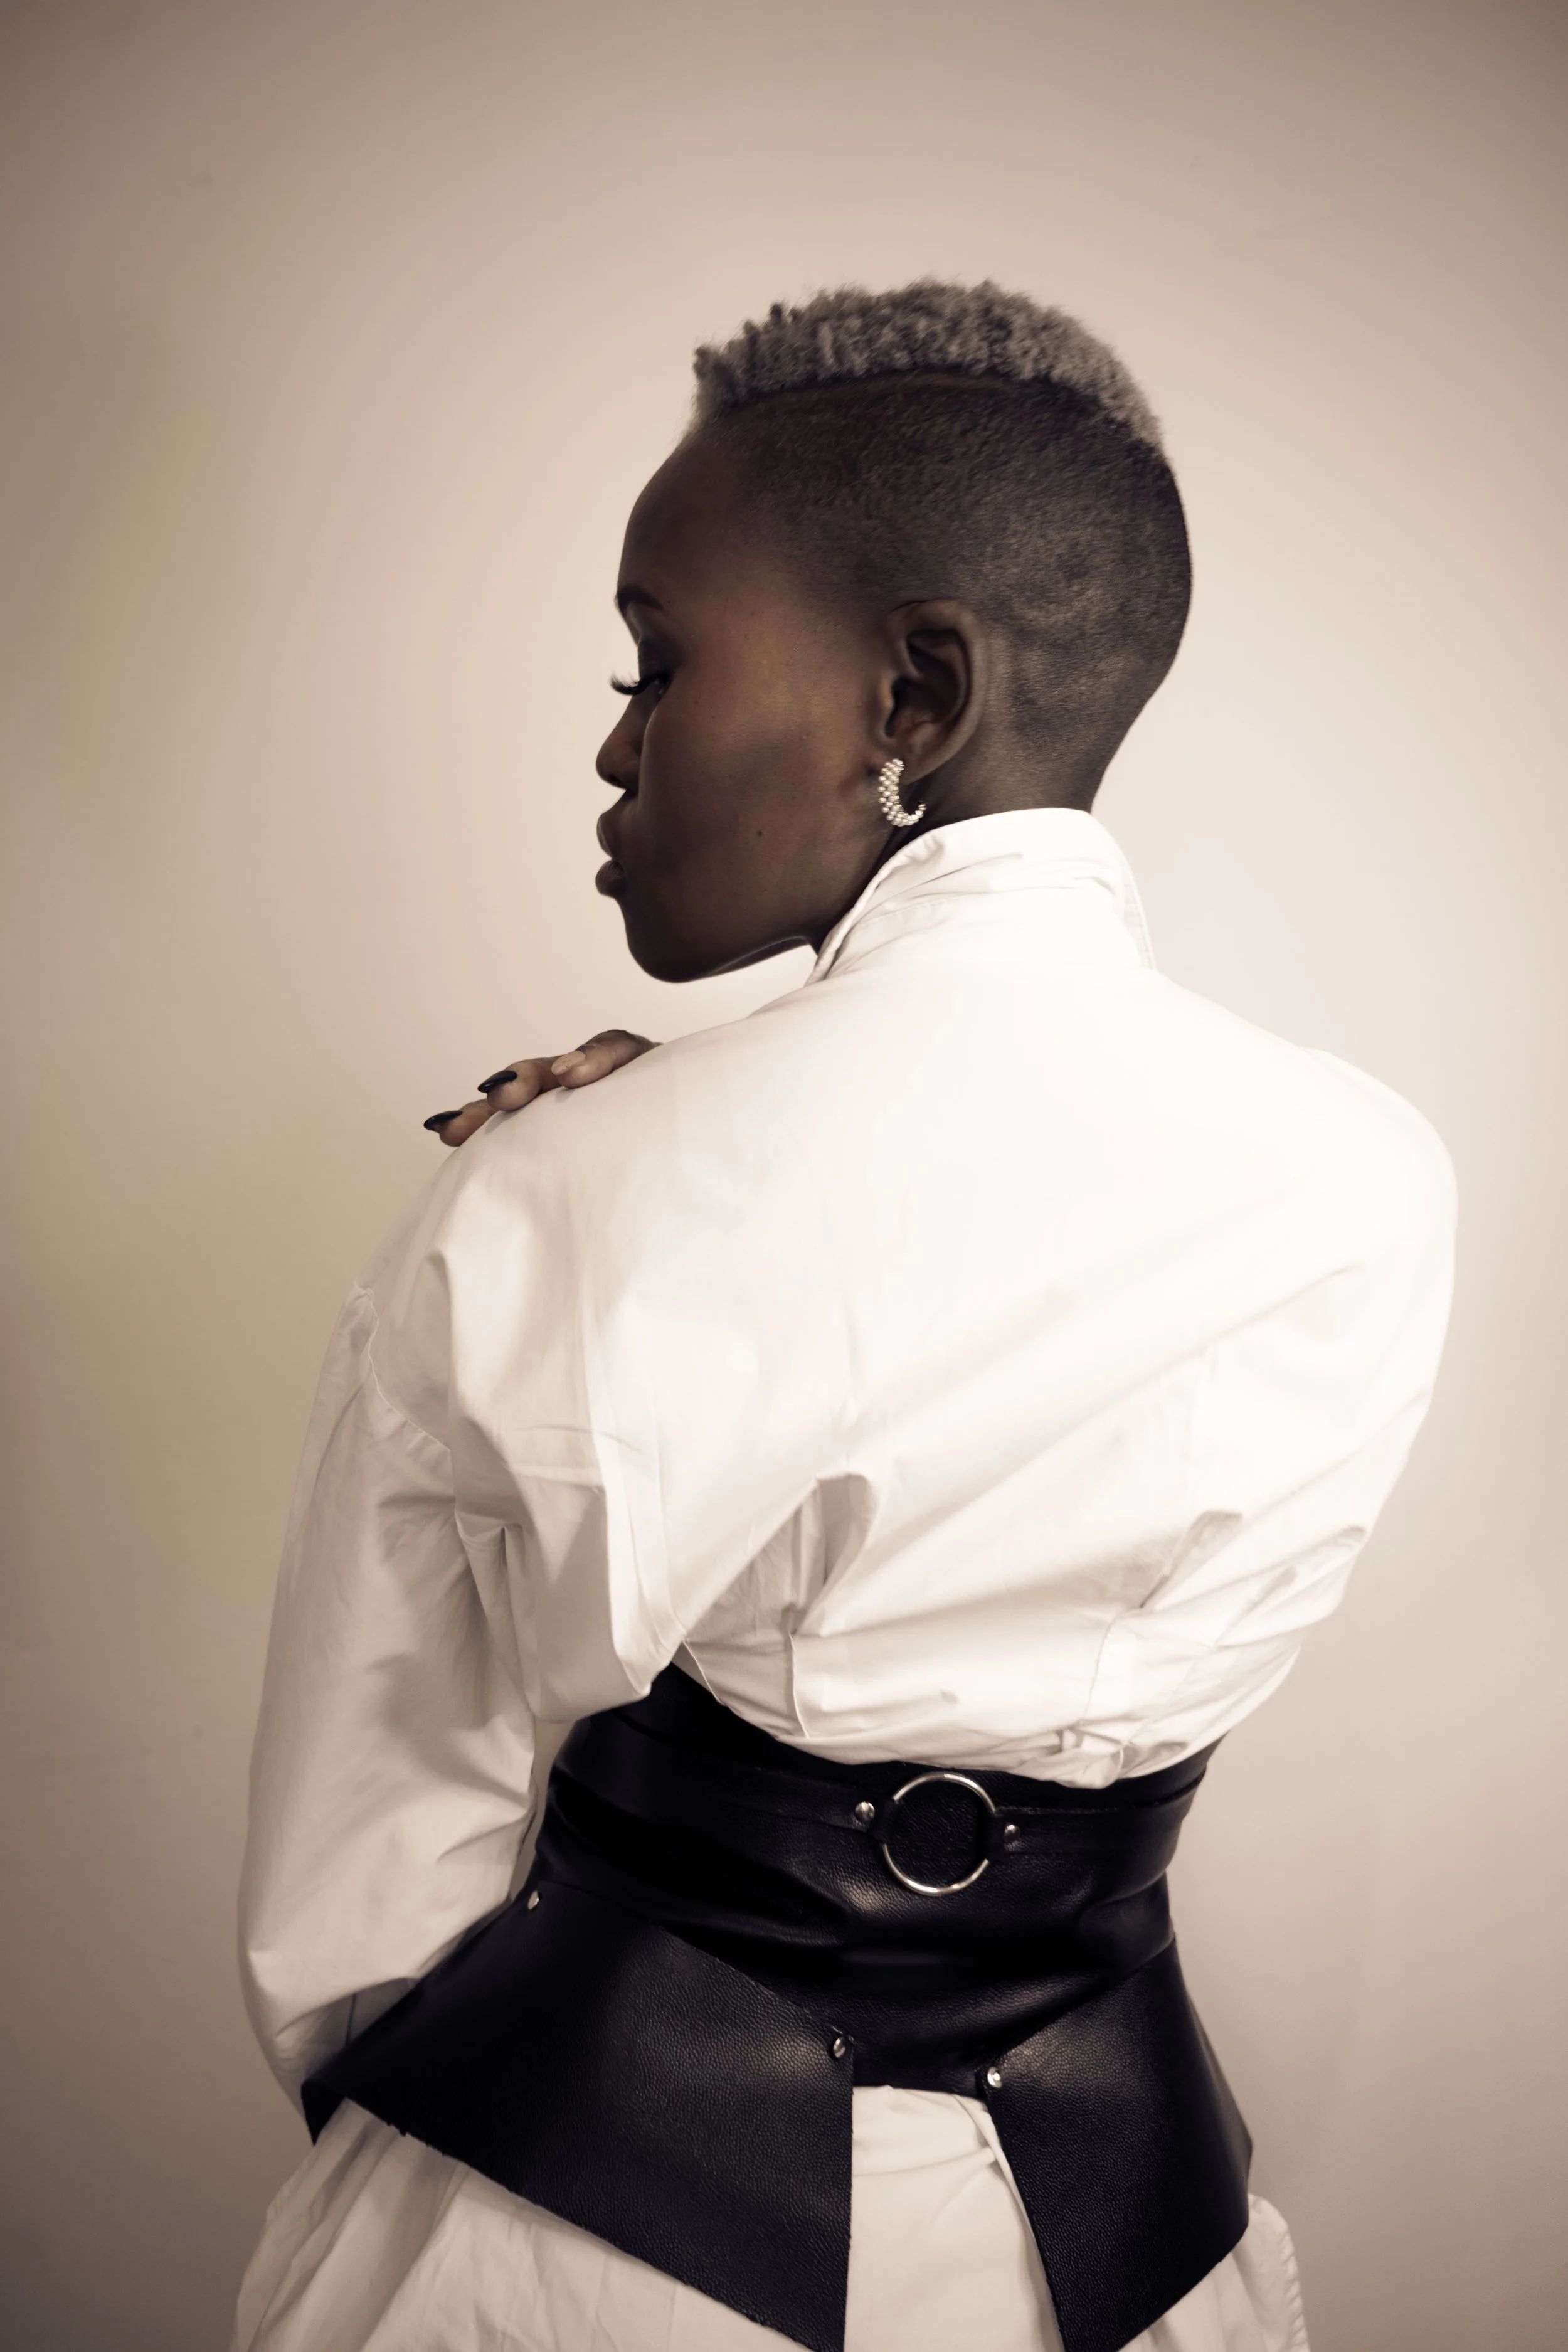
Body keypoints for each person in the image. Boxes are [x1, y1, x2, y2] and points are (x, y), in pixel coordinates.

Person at [231, 283, 1454, 2352]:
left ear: (915, 696)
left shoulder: (555, 1189)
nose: (616, 742)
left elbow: (354, 1909)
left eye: (657, 660)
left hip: (566, 2265)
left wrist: (431, 2160)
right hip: (1146, 2261)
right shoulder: (1375, 1171)